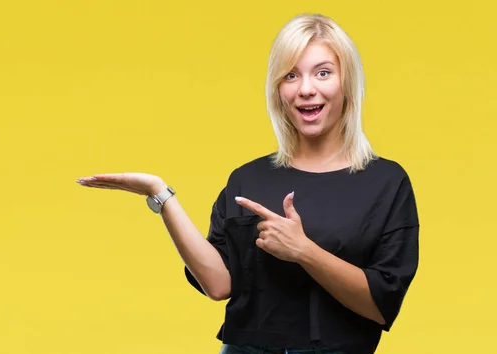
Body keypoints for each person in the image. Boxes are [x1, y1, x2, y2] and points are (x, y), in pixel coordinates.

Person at [76, 13, 419, 354]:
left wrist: (303, 251)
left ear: (347, 83)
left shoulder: (385, 183)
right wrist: (161, 196)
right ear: (277, 88)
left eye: (323, 73)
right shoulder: (248, 178)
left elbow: (380, 304)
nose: (306, 89)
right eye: (290, 75)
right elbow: (218, 284)